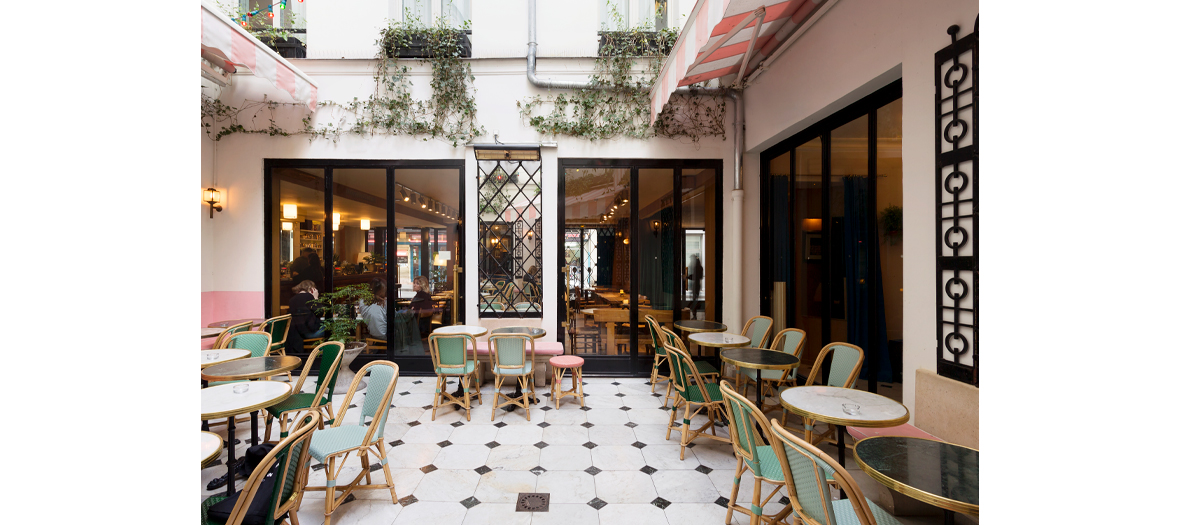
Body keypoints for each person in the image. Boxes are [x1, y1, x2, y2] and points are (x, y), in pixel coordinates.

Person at [286, 280, 325, 355]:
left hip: (298, 335)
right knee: (331, 326)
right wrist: (316, 298)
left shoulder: (292, 300)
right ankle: (329, 354)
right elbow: (319, 312)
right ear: (311, 289)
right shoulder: (309, 296)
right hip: (310, 333)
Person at [409, 275, 434, 340]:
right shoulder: (426, 295)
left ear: (422, 285)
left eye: (417, 284)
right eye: (414, 283)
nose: (414, 285)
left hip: (417, 326)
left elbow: (412, 310)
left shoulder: (420, 296)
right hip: (425, 326)